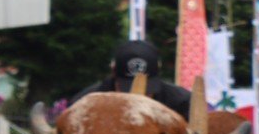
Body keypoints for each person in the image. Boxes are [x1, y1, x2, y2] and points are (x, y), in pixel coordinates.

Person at [65, 39, 193, 118]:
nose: (137, 99)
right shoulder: (84, 104)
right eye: (128, 90)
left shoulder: (181, 103)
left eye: (147, 91)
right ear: (114, 73)